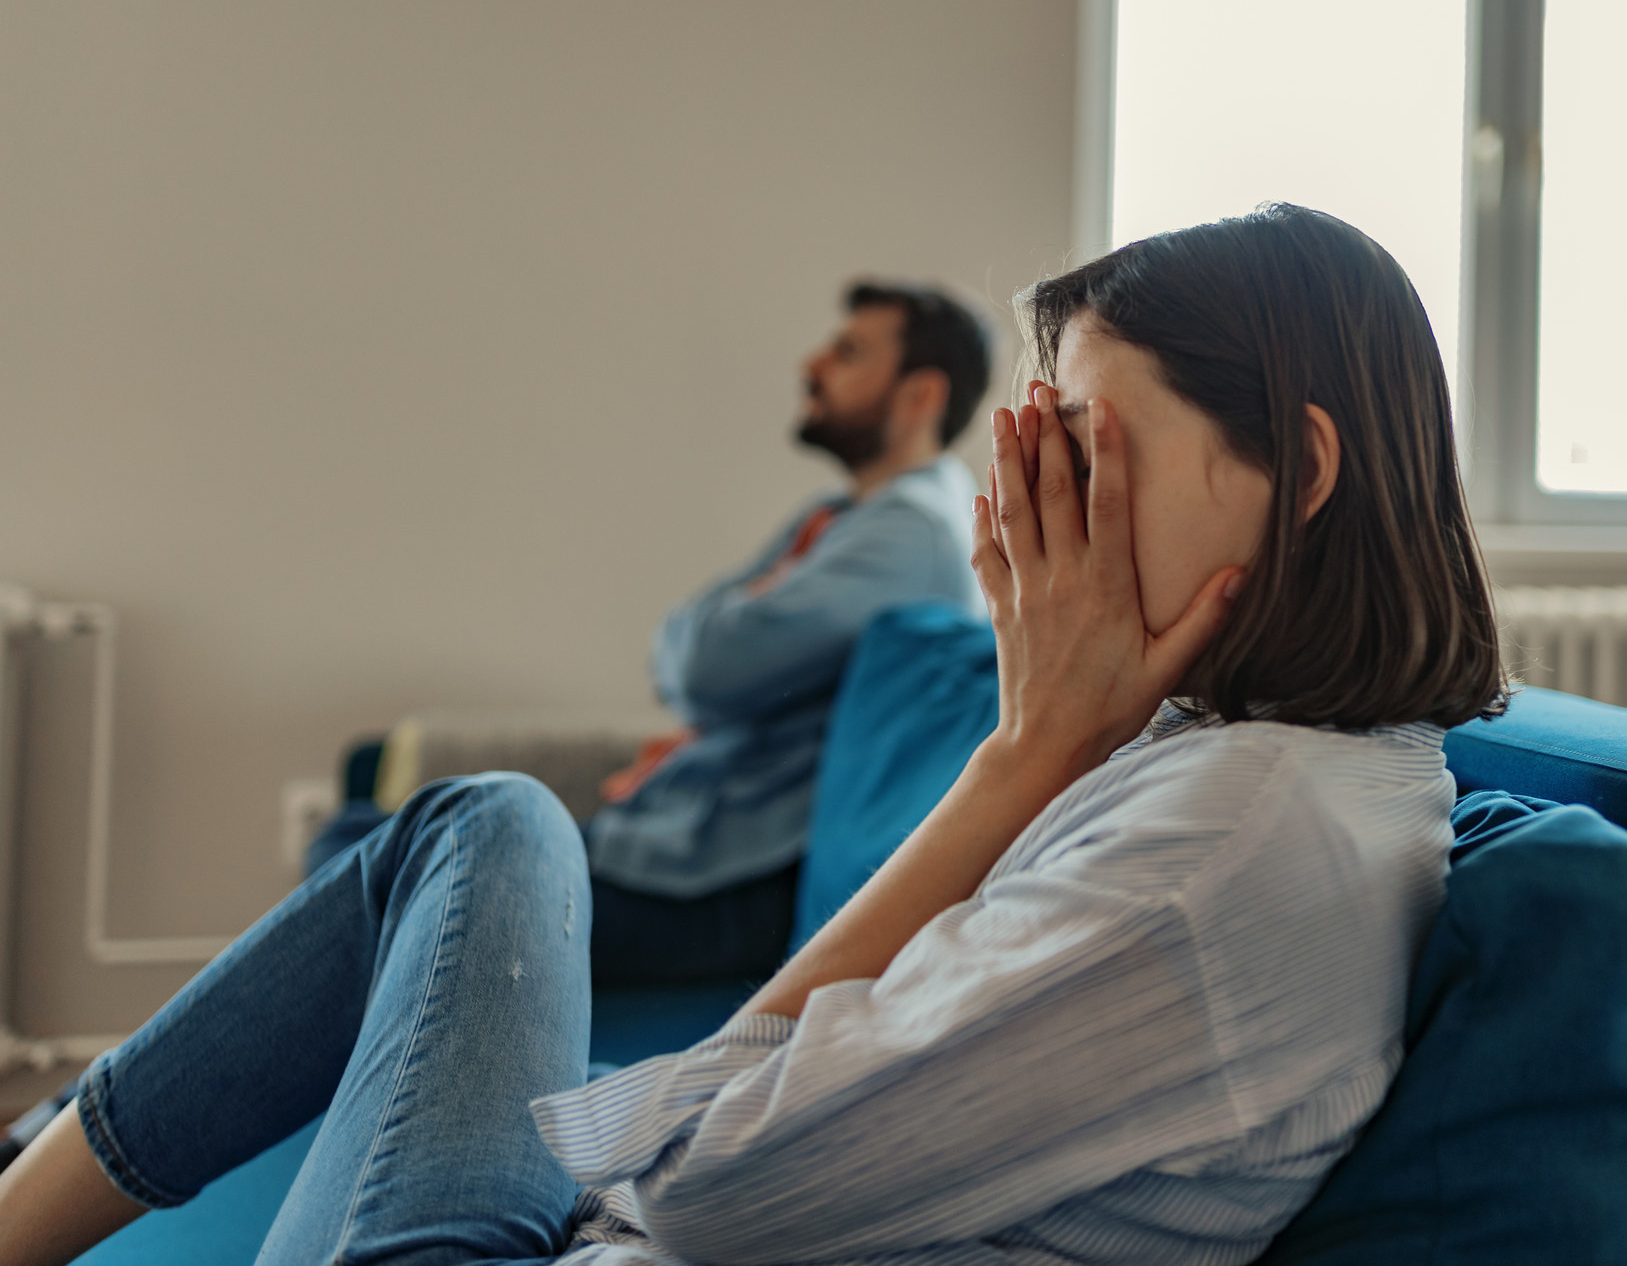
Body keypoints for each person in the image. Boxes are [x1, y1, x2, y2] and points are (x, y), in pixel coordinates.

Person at [0, 205, 1506, 1266]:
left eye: (1087, 451)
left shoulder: (1224, 843)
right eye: (1033, 455)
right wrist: (1046, 747)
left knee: (483, 830)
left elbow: (695, 1181)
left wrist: (1021, 760)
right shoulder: (1255, 765)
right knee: (482, 825)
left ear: (1296, 467)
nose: (1039, 513)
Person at [302, 280, 992, 988]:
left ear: (919, 397)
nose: (811, 365)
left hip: (723, 883)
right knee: (362, 837)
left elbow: (700, 666)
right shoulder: (842, 516)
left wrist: (720, 639)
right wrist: (716, 641)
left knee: (358, 855)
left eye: (848, 353)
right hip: (683, 849)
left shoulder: (913, 535)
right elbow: (686, 648)